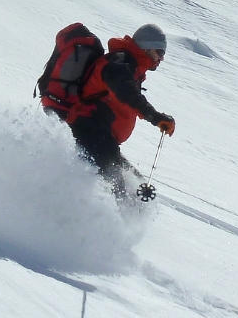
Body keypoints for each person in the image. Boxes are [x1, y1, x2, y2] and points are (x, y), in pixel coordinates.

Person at [60, 23, 175, 196]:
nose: (161, 58)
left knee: (135, 188)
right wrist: (155, 117)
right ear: (146, 48)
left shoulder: (131, 67)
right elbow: (126, 93)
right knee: (119, 192)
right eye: (159, 52)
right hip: (90, 132)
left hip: (102, 138)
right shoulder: (119, 63)